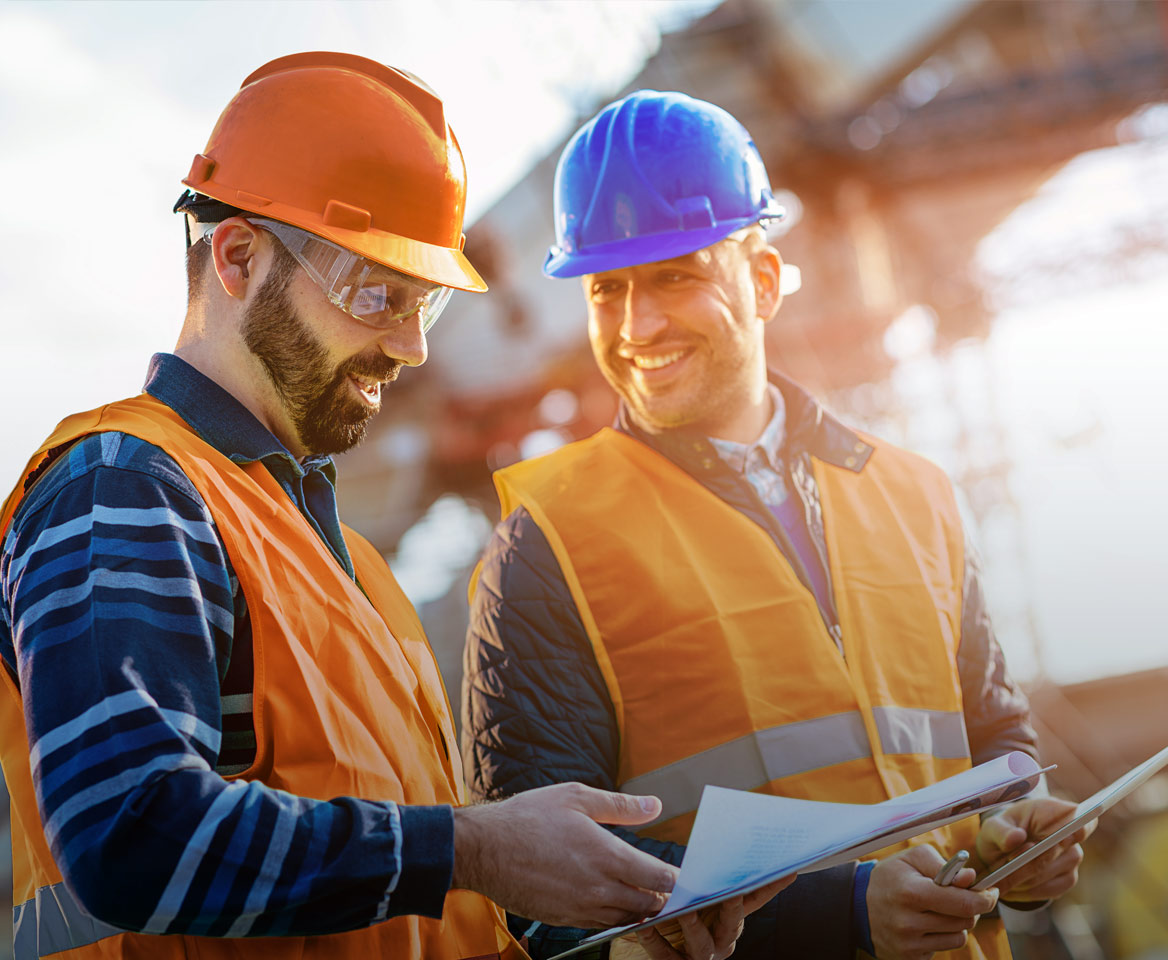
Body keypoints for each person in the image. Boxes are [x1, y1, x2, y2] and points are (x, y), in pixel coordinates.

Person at [0, 55, 795, 960]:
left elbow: (412, 902)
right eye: (378, 296)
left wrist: (612, 923)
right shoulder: (126, 485)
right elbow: (130, 834)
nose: (409, 348)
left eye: (427, 306)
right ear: (239, 257)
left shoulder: (345, 565)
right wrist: (478, 847)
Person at [462, 90, 1093, 960]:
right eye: (608, 290)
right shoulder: (548, 545)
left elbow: (992, 738)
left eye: (675, 276)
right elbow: (544, 891)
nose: (638, 326)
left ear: (762, 281)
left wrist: (1016, 835)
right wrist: (839, 916)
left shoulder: (916, 493)